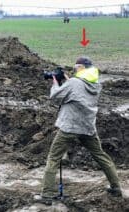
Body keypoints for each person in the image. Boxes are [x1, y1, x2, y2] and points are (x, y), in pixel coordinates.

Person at [40, 57, 122, 203]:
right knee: (100, 155)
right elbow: (78, 91)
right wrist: (68, 80)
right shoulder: (95, 83)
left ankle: (47, 194)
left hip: (69, 127)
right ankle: (116, 187)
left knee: (53, 158)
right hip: (88, 126)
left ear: (81, 68)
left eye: (76, 67)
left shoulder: (74, 82)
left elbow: (55, 97)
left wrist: (55, 81)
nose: (74, 69)